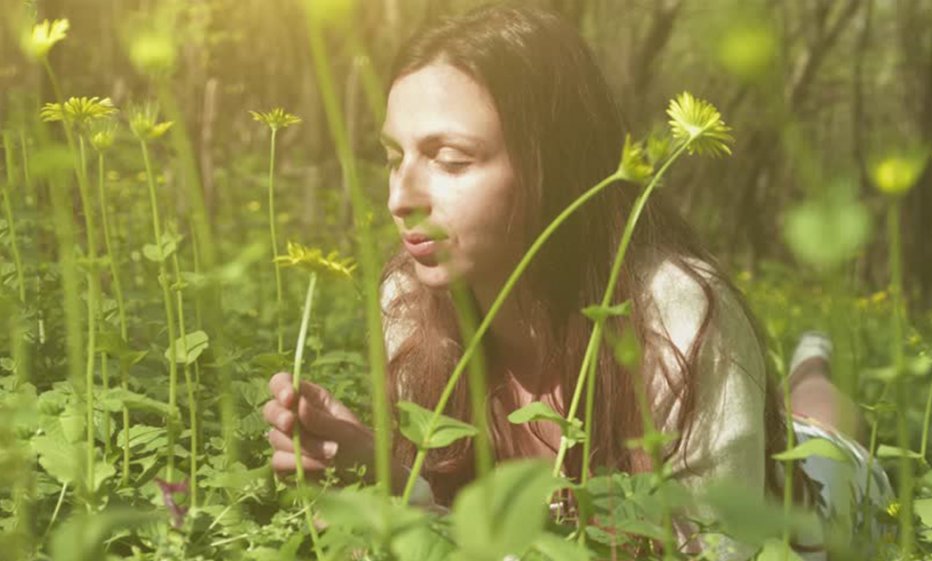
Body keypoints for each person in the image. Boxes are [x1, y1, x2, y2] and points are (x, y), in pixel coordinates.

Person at [261, 3, 893, 559]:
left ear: (554, 164)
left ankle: (813, 364)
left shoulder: (684, 317)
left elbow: (724, 549)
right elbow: (459, 520)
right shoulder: (408, 298)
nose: (402, 197)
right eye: (394, 157)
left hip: (818, 511)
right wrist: (382, 471)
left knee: (823, 424)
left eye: (451, 159)